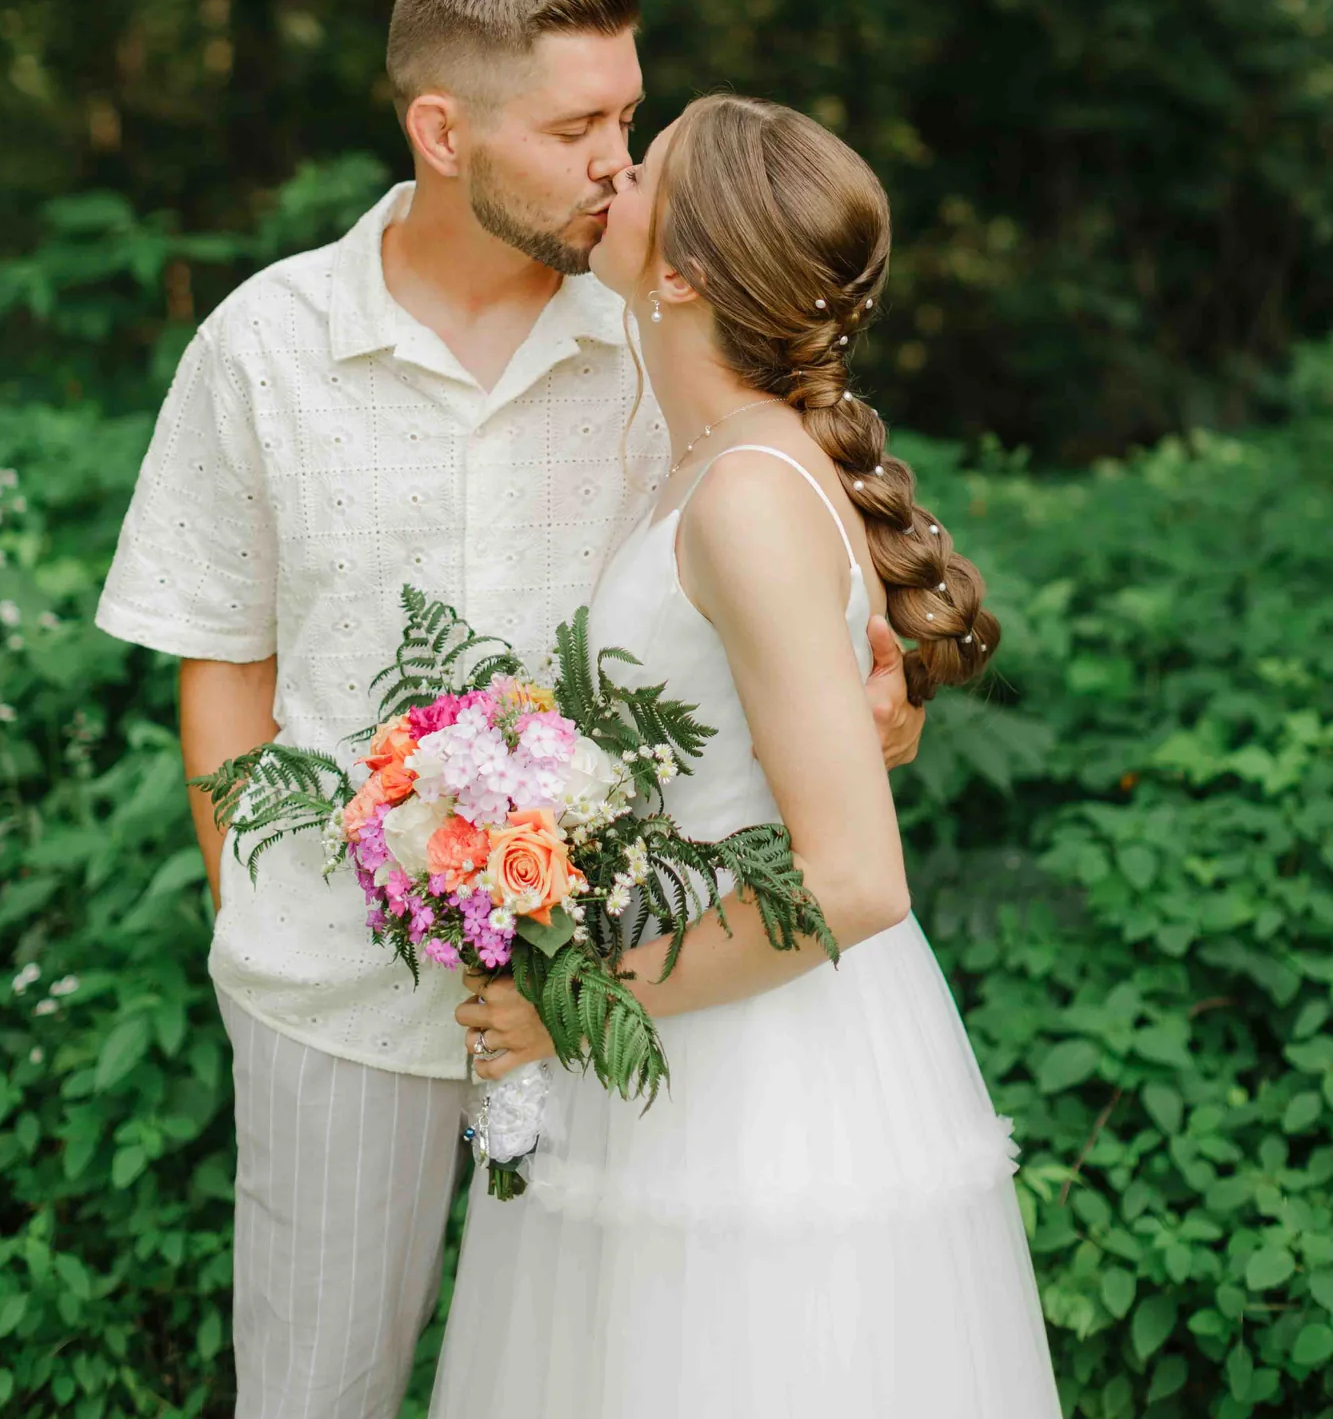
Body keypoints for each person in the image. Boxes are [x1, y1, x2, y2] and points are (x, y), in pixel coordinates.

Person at [95, 0, 924, 1419]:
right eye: (575, 132)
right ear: (443, 131)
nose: (618, 165)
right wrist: (255, 905)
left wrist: (879, 685)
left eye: (628, 119)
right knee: (318, 1393)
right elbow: (222, 654)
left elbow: (804, 535)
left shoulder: (666, 317)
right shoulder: (265, 348)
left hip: (639, 1001)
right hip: (338, 1000)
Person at [434, 94, 1061, 1419]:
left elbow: (852, 881)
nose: (613, 165)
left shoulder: (747, 499)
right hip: (678, 1026)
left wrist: (576, 1004)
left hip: (757, 1078)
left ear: (678, 269)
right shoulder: (706, 462)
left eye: (643, 162)